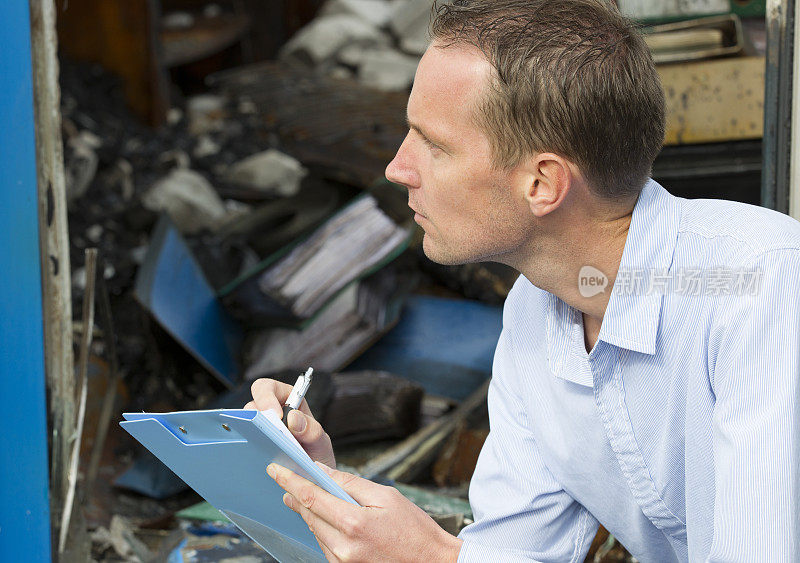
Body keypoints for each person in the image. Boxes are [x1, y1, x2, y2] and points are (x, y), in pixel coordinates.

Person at [246, 0, 800, 560]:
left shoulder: (759, 289)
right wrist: (322, 493)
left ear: (542, 183)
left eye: (433, 144)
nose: (398, 168)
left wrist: (434, 556)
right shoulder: (536, 309)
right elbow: (518, 550)